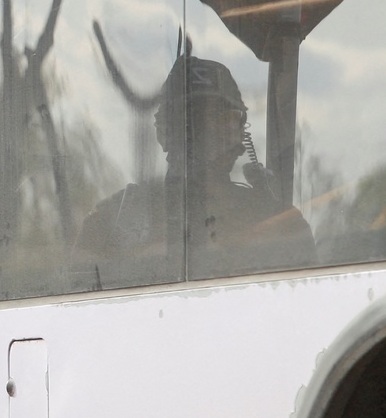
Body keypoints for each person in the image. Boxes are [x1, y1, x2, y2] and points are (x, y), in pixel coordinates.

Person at [73, 55, 317, 284]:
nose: (202, 131)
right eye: (191, 118)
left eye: (220, 117)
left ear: (240, 130)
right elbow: (77, 299)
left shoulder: (281, 223)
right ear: (165, 129)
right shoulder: (111, 221)